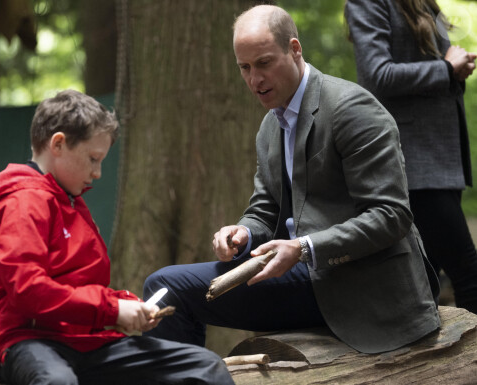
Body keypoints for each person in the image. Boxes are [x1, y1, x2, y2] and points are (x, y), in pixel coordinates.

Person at [144, 4, 440, 354]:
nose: (255, 80)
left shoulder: (352, 109)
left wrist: (303, 248)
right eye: (245, 68)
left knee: (168, 286)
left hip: (361, 286)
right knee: (163, 288)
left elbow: (391, 216)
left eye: (264, 63)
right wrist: (243, 233)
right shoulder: (271, 124)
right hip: (302, 276)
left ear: (295, 49)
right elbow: (265, 208)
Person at [0, 90, 235, 385]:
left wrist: (127, 304)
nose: (97, 173)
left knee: (204, 366)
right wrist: (113, 309)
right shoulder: (23, 202)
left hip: (85, 339)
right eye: (93, 159)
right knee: (57, 381)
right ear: (58, 144)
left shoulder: (71, 201)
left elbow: (79, 288)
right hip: (25, 341)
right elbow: (28, 291)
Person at [344, 0, 477, 314]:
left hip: (441, 158)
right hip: (411, 160)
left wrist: (457, 69)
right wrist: (445, 68)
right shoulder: (367, 2)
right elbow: (377, 75)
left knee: (426, 277)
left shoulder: (422, 3)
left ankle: (423, 360)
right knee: (467, 271)